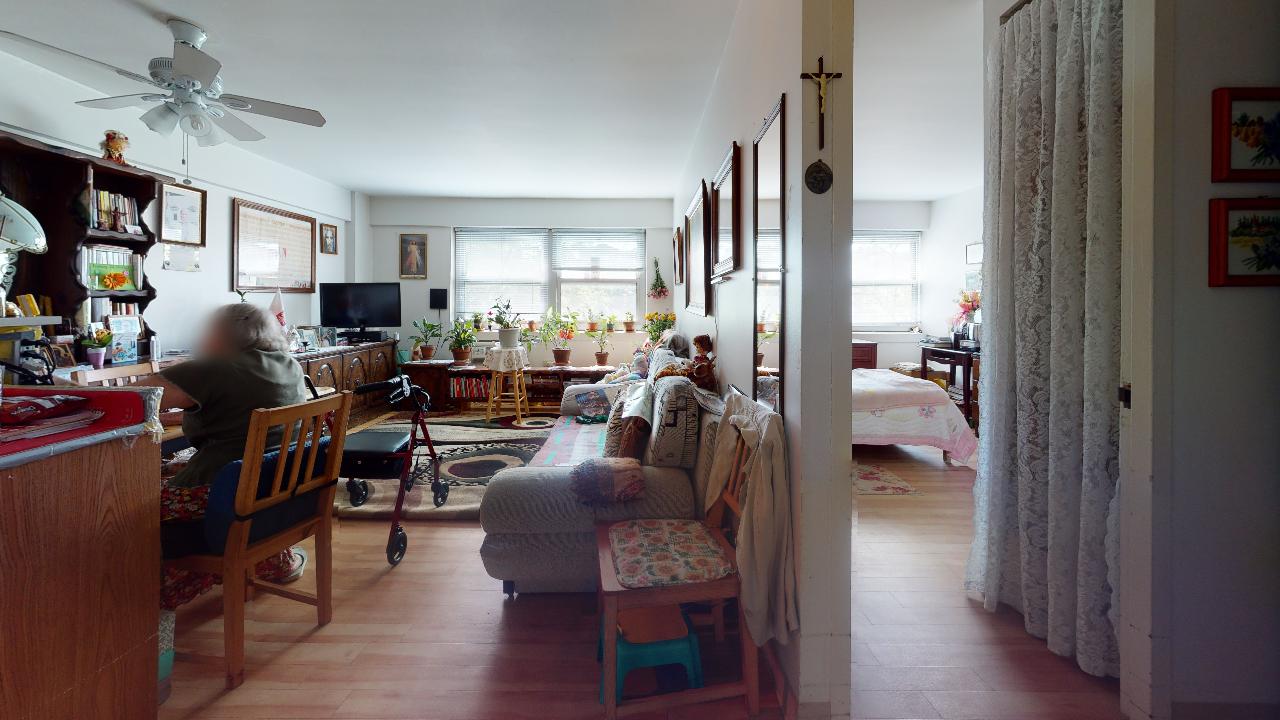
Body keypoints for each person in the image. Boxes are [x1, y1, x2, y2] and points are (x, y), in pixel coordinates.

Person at [143, 303, 310, 610]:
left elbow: (127, 401)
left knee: (131, 511)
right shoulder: (288, 365)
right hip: (273, 491)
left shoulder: (214, 369)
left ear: (222, 334)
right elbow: (239, 413)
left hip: (224, 492)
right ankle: (272, 558)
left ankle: (148, 596)